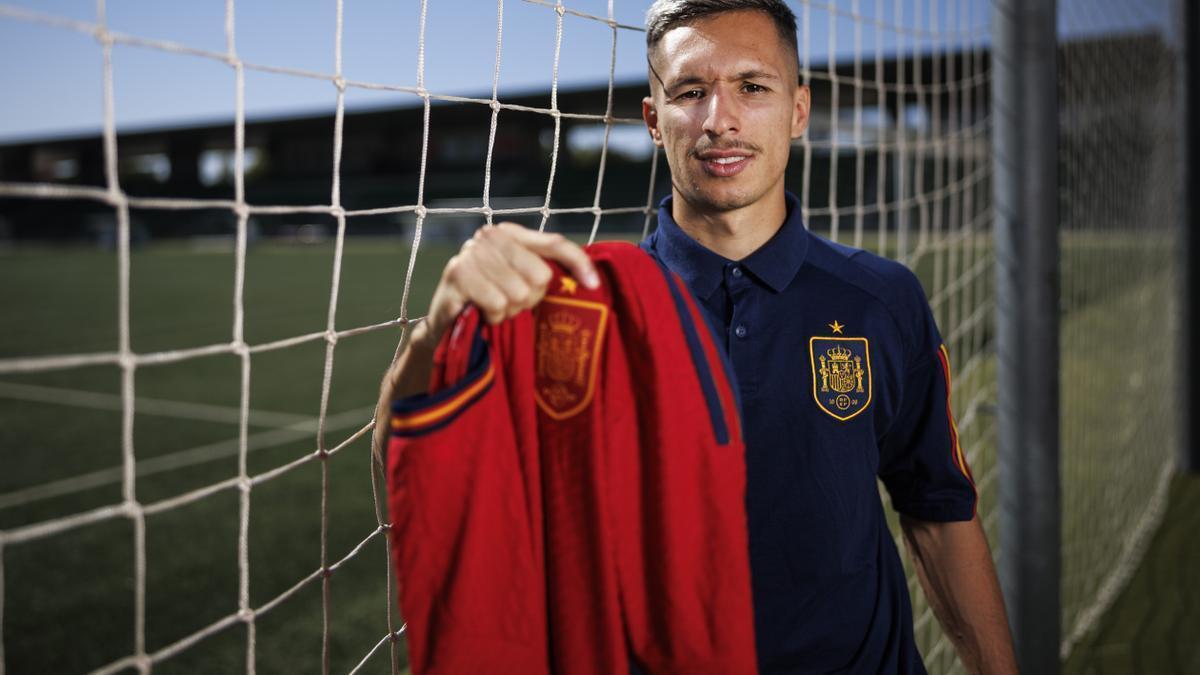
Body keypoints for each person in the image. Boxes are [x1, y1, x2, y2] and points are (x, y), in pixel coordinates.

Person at [375, 0, 1019, 672]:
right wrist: (437, 327)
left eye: (752, 86)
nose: (721, 120)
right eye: (690, 91)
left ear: (799, 109)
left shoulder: (882, 298)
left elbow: (938, 510)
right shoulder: (579, 308)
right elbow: (405, 457)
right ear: (654, 120)